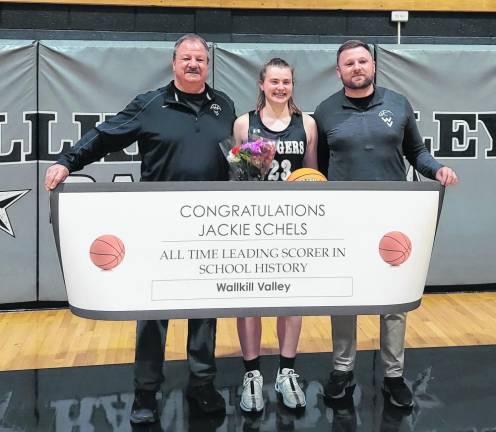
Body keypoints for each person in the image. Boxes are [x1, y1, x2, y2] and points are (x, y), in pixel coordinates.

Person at [44, 34, 236, 424]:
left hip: (208, 227)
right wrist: (68, 160)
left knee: (205, 309)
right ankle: (146, 392)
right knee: (153, 313)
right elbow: (105, 135)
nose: (194, 64)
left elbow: (238, 156)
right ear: (173, 63)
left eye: (200, 58)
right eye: (187, 58)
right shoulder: (150, 104)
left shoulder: (225, 107)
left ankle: (202, 383)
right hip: (158, 227)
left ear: (207, 64)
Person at [313, 40, 458, 408]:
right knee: (345, 295)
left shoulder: (398, 103)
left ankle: (394, 374)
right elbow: (319, 170)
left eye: (363, 61)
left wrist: (436, 168)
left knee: (393, 299)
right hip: (345, 217)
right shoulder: (325, 111)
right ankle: (342, 369)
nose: (357, 67)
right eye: (349, 63)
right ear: (339, 71)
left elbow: (417, 152)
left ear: (373, 66)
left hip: (393, 217)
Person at [232, 57, 318, 412]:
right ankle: (252, 374)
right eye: (274, 82)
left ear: (292, 86)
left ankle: (286, 371)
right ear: (262, 85)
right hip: (253, 224)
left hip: (293, 225)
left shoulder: (307, 123)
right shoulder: (244, 123)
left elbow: (313, 175)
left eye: (286, 82)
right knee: (249, 300)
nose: (280, 87)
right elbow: (235, 178)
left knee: (290, 299)